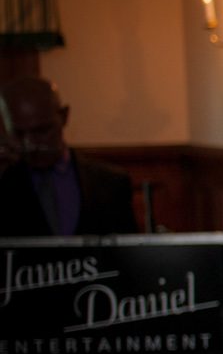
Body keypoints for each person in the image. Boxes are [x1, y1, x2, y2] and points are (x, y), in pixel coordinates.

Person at [0, 75, 137, 236]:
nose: (30, 143)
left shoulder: (110, 183)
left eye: (42, 131)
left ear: (64, 116)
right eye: (19, 134)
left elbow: (127, 254)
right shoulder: (5, 181)